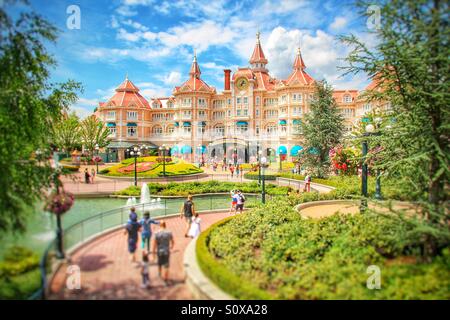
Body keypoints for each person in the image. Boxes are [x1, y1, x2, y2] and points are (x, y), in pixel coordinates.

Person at [152, 221, 174, 285]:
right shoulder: (169, 233)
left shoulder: (157, 233)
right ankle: (165, 279)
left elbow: (154, 244)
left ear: (160, 225)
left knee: (159, 264)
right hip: (166, 251)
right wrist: (171, 247)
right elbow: (173, 242)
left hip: (159, 251)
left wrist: (153, 253)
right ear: (165, 225)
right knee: (166, 266)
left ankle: (159, 274)